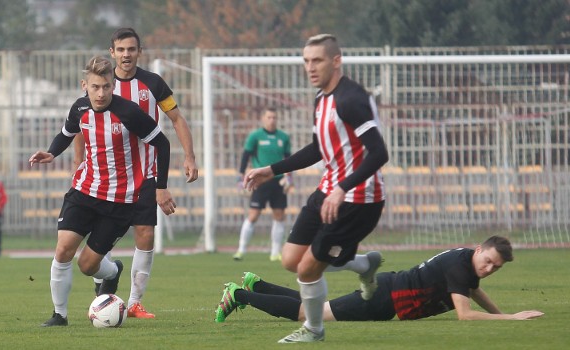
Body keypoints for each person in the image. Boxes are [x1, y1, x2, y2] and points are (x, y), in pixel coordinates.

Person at [241, 34, 389, 343]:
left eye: (317, 60)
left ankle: (314, 330)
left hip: (358, 199)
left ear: (337, 61)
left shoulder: (352, 99)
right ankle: (363, 264)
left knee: (307, 270)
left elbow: (379, 153)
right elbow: (318, 149)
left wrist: (342, 188)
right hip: (328, 190)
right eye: (306, 61)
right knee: (291, 260)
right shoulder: (321, 99)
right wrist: (271, 169)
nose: (310, 67)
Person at [29, 55, 175, 327]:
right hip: (84, 191)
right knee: (63, 250)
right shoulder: (80, 108)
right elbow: (67, 132)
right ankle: (59, 315)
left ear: (112, 86)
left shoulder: (129, 113)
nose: (101, 92)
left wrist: (161, 186)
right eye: (95, 87)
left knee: (87, 266)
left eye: (106, 86)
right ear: (85, 85)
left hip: (120, 201)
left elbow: (162, 145)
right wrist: (51, 153)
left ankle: (113, 270)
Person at [73, 27, 199, 319]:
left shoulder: (153, 83)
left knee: (145, 232)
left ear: (139, 52)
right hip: (106, 177)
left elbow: (177, 118)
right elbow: (81, 119)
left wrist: (189, 156)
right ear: (112, 52)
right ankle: (104, 273)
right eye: (121, 49)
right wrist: (79, 161)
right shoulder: (100, 83)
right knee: (96, 239)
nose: (126, 55)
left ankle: (133, 302)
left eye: (131, 49)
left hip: (146, 173)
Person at [215, 236, 545, 323]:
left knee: (314, 307)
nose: (487, 269)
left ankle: (256, 285)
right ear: (478, 250)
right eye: (487, 262)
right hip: (385, 298)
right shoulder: (461, 267)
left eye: (495, 268)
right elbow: (465, 313)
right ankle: (239, 295)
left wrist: (502, 314)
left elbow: (474, 290)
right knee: (309, 314)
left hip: (388, 293)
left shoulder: (464, 261)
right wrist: (510, 319)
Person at [233, 107, 291, 262]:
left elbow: (288, 158)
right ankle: (241, 250)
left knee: (279, 216)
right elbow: (246, 155)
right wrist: (241, 176)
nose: (272, 120)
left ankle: (275, 252)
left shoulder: (283, 137)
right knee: (253, 215)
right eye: (269, 117)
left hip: (278, 181)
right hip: (261, 180)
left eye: (274, 117)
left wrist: (289, 177)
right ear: (263, 119)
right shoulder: (255, 136)